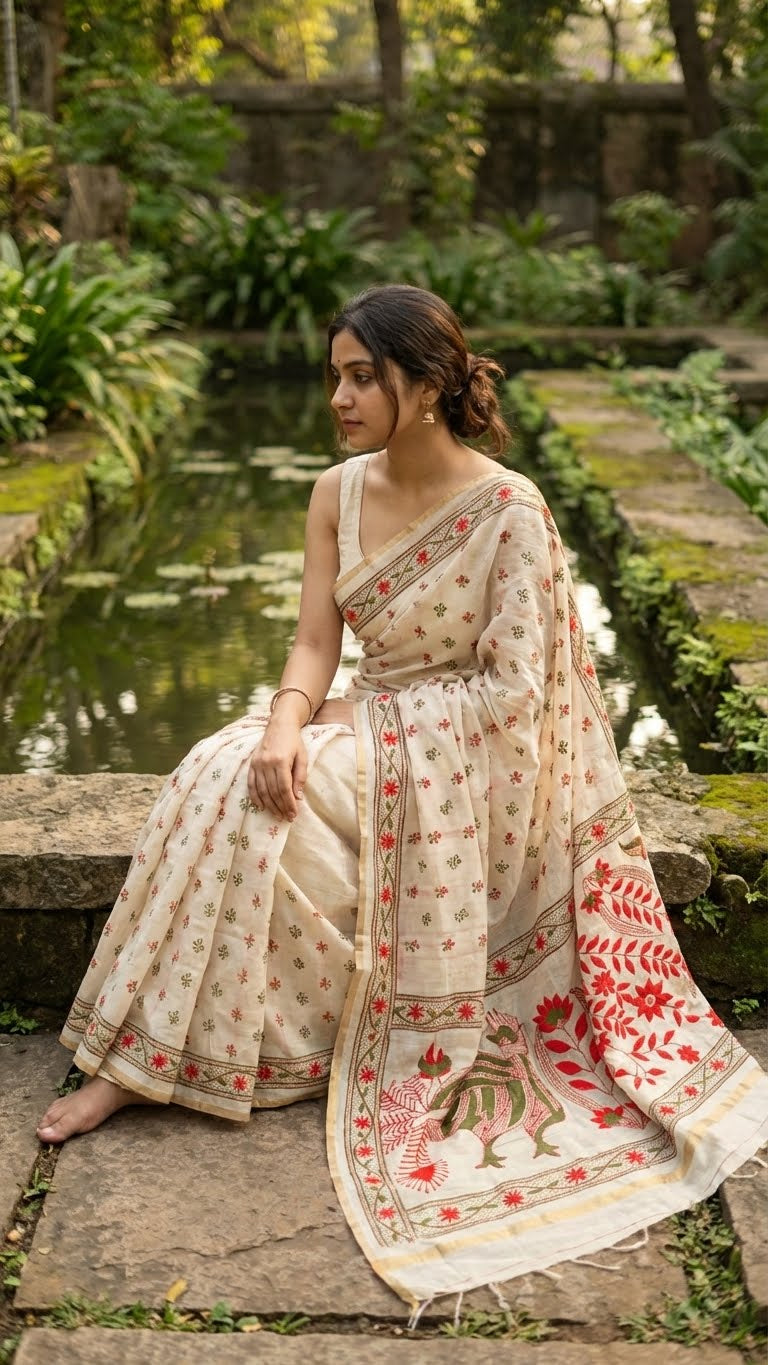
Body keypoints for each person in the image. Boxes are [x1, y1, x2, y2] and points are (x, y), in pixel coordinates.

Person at [37, 284, 768, 1305]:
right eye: (334, 375)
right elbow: (312, 642)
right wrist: (292, 715)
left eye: (359, 377)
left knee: (256, 801)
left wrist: (361, 725)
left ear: (425, 387)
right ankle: (153, 1055)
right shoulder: (335, 491)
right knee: (217, 764)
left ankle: (163, 1063)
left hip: (470, 767)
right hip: (367, 722)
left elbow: (519, 695)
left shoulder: (509, 510)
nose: (337, 396)